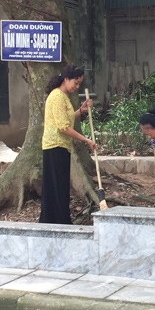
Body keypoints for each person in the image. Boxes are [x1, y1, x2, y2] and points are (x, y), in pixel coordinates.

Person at [40, 64, 96, 224]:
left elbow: (67, 118)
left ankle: (57, 220)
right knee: (57, 186)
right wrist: (86, 140)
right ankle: (58, 221)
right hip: (54, 146)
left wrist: (81, 110)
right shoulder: (57, 96)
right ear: (66, 79)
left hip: (60, 146)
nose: (77, 86)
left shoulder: (62, 96)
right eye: (75, 82)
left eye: (79, 84)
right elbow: (63, 127)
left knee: (60, 185)